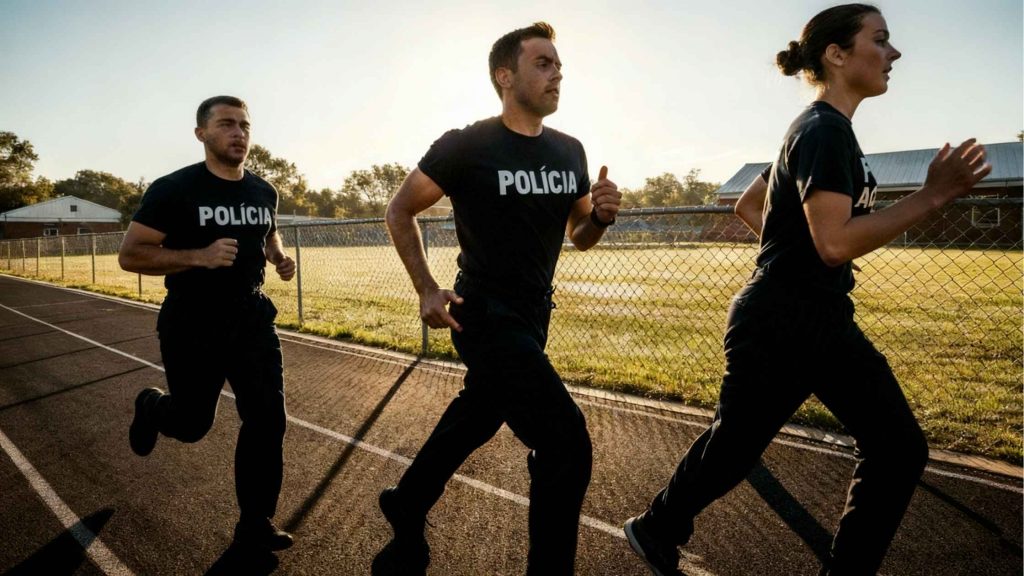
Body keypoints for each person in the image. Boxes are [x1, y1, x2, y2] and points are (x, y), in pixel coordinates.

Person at [623, 5, 991, 576]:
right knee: (889, 449)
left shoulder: (819, 129)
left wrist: (795, 261)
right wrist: (934, 195)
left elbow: (753, 207)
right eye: (881, 39)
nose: (894, 53)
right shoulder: (823, 131)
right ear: (836, 55)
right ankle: (659, 526)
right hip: (788, 320)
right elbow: (835, 244)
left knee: (746, 446)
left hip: (797, 312)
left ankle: (656, 527)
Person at [378, 22, 621, 576]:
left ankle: (408, 501)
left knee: (480, 413)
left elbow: (579, 235)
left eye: (559, 64)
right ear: (504, 76)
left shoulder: (569, 150)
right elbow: (399, 210)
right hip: (483, 315)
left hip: (536, 314)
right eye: (543, 63)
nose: (557, 73)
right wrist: (426, 288)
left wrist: (601, 216)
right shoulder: (467, 145)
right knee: (565, 445)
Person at [119, 95, 298, 552]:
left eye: (244, 125)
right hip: (192, 320)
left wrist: (277, 256)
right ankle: (154, 407)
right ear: (202, 134)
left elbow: (267, 230)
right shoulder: (173, 189)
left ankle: (254, 521)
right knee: (193, 423)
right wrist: (198, 257)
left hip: (252, 318)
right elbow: (131, 254)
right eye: (226, 124)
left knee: (267, 419)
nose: (238, 133)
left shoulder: (263, 190)